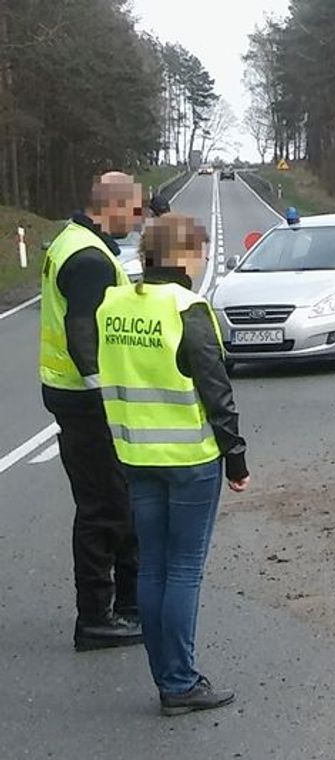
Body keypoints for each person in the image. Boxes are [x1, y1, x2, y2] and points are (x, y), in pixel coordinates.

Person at [95, 212, 250, 716]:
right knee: (184, 571)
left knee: (153, 568)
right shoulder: (187, 308)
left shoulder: (115, 304)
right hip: (189, 457)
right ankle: (180, 683)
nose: (202, 259)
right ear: (181, 256)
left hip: (134, 454)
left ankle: (168, 679)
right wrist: (236, 458)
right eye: (199, 251)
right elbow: (215, 390)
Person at [40, 171, 143, 650]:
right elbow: (84, 331)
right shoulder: (89, 258)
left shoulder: (73, 241)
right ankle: (97, 618)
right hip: (87, 400)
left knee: (110, 501)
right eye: (135, 210)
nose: (139, 219)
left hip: (68, 392)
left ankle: (125, 606)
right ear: (112, 206)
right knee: (105, 506)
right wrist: (106, 394)